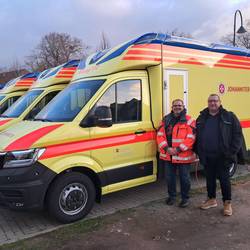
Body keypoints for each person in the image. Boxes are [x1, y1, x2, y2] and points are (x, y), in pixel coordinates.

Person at [196, 94, 244, 216]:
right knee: (210, 179)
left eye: (215, 101)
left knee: (224, 180)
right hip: (207, 156)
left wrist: (231, 152)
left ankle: (227, 203)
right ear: (208, 103)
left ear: (220, 102)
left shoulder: (229, 116)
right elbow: (197, 136)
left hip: (223, 156)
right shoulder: (202, 117)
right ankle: (211, 199)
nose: (213, 103)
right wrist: (198, 151)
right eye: (210, 101)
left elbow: (238, 135)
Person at [157, 99, 196, 208]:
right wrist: (166, 148)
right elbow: (160, 135)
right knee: (170, 178)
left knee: (185, 178)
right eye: (175, 105)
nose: (177, 107)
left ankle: (185, 198)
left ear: (183, 106)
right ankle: (172, 197)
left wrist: (178, 149)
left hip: (183, 156)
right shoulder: (165, 120)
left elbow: (191, 138)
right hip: (168, 155)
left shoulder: (189, 120)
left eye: (179, 105)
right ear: (172, 107)